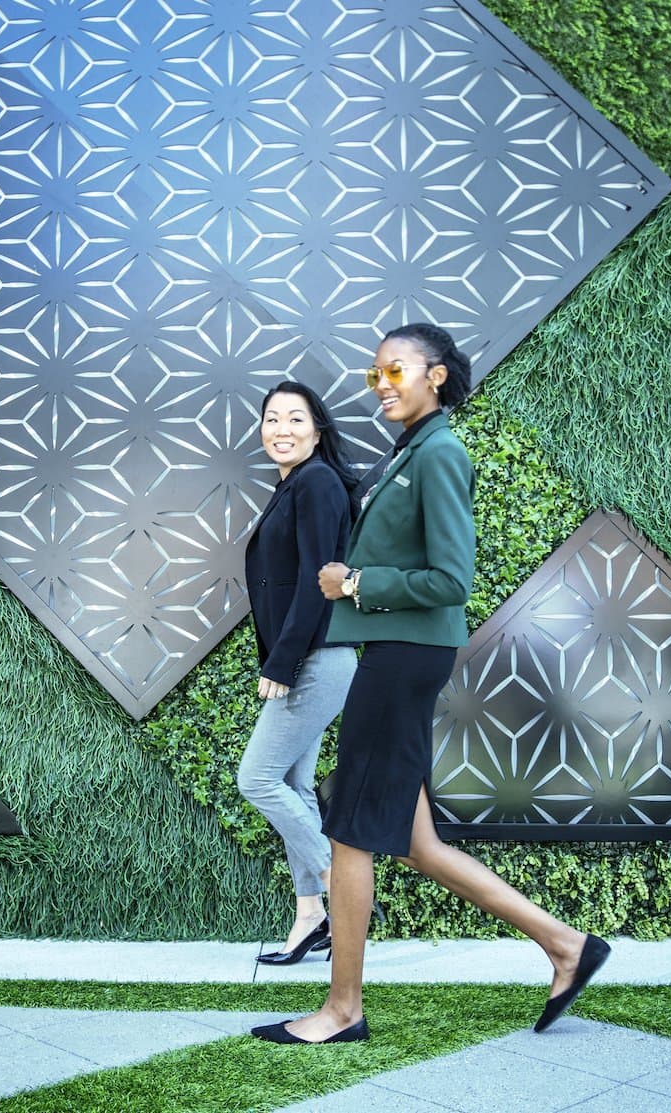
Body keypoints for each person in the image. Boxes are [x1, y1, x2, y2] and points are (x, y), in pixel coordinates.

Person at [251, 322, 610, 1041]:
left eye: (396, 371)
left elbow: (451, 578)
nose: (381, 384)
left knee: (349, 832)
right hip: (391, 651)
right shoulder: (406, 452)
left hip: (401, 656)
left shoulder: (439, 453)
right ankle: (568, 945)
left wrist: (355, 580)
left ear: (435, 375)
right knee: (417, 843)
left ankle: (341, 1010)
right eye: (374, 375)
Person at [237, 381, 359, 965]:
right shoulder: (292, 486)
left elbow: (320, 575)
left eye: (295, 418)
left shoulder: (318, 483)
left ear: (318, 428)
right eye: (271, 419)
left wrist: (282, 662)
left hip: (316, 660)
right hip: (311, 658)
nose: (281, 429)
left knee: (256, 780)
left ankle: (340, 883)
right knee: (293, 787)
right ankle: (311, 914)